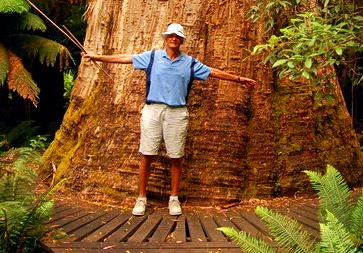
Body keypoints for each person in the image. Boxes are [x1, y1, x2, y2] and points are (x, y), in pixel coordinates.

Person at [82, 23, 256, 217]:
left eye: (177, 36)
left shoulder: (189, 63)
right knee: (147, 154)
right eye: (171, 35)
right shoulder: (153, 57)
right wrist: (97, 56)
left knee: (176, 156)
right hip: (153, 110)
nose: (174, 38)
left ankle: (173, 198)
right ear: (166, 38)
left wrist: (240, 79)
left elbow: (213, 72)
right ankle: (141, 198)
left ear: (181, 40)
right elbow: (126, 58)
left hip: (177, 112)